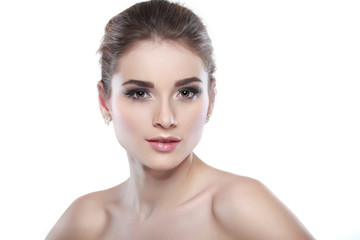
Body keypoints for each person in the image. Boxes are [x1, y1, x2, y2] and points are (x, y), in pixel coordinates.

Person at [46, 0, 314, 239]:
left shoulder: (239, 205)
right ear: (105, 101)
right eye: (140, 93)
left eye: (186, 92)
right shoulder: (86, 221)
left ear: (211, 99)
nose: (166, 118)